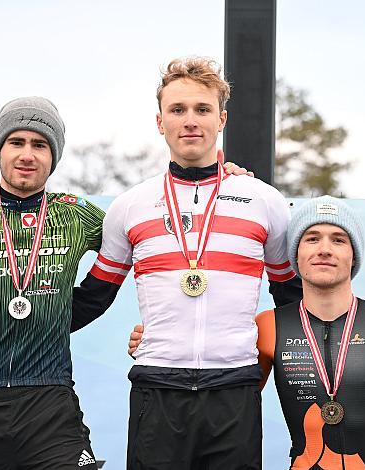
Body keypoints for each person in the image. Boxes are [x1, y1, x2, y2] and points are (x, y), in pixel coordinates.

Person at [0, 95, 251, 469]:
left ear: (54, 156)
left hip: (50, 405)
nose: (27, 155)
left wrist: (218, 184)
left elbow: (160, 248)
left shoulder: (76, 214)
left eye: (40, 144)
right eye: (16, 142)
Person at [70, 57, 302, 470]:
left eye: (202, 109)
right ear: (160, 122)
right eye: (177, 110)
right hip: (156, 389)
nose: (190, 121)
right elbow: (91, 299)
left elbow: (292, 298)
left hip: (234, 388)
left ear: (222, 119)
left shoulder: (264, 201)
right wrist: (0, 325)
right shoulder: (130, 206)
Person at [255, 195, 365, 469]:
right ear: (296, 254)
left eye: (338, 239)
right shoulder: (268, 326)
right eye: (312, 238)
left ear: (353, 255)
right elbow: (235, 417)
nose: (324, 249)